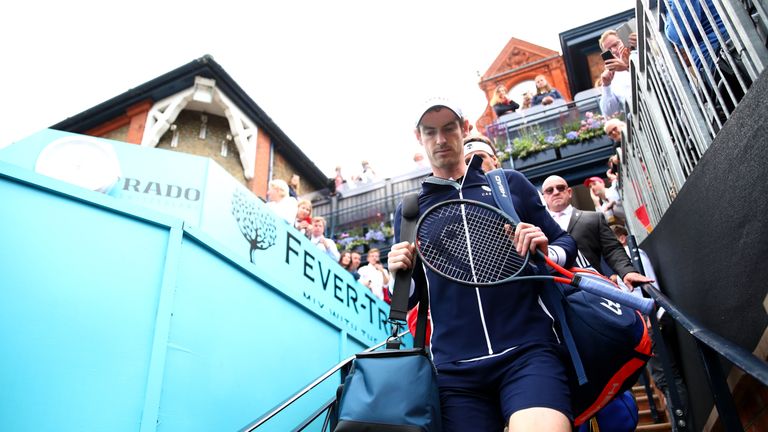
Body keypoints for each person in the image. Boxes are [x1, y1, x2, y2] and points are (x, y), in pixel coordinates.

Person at [388, 98, 578, 431]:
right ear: (418, 138)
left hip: (528, 352)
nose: (441, 139)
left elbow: (565, 243)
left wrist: (546, 251)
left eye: (449, 128)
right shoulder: (410, 209)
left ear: (464, 128)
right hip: (455, 371)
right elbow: (409, 298)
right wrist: (397, 275)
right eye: (430, 132)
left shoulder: (507, 184)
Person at [610, 225, 690, 421]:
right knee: (665, 379)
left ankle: (681, 426)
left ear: (622, 238)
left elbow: (646, 287)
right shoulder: (633, 257)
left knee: (666, 379)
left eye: (611, 241)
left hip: (653, 320)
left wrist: (646, 320)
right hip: (652, 319)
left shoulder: (631, 254)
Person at [540, 175, 651, 289]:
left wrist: (627, 272)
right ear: (544, 197)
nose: (556, 192)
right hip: (559, 292)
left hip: (594, 289)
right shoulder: (539, 227)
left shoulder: (593, 218)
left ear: (569, 192)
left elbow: (612, 250)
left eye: (560, 188)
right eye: (549, 190)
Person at [599, 30, 634, 117]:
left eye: (615, 44)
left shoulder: (637, 53)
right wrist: (606, 85)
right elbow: (608, 111)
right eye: (609, 49)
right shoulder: (612, 77)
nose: (614, 50)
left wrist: (627, 67)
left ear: (623, 41)